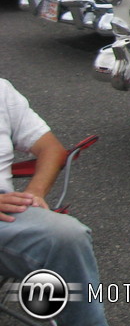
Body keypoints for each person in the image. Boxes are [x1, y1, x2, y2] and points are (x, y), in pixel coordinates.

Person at [0, 79, 108, 325]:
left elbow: (51, 149)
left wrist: (35, 193)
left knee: (68, 234)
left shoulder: (1, 91)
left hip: (7, 212)